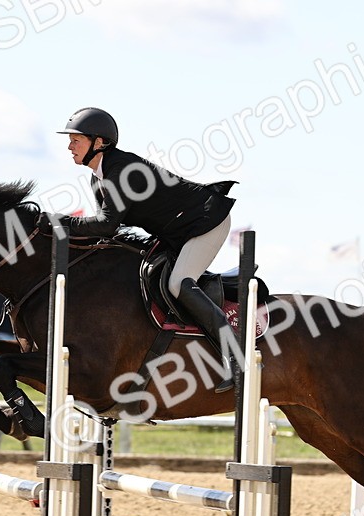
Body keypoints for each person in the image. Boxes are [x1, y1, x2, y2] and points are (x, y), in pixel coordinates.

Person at [46, 107, 238, 392]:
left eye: (76, 139)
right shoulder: (98, 177)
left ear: (99, 142)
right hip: (175, 232)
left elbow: (106, 225)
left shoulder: (118, 170)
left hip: (205, 222)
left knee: (178, 284)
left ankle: (236, 357)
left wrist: (58, 221)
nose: (70, 145)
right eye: (70, 140)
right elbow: (105, 229)